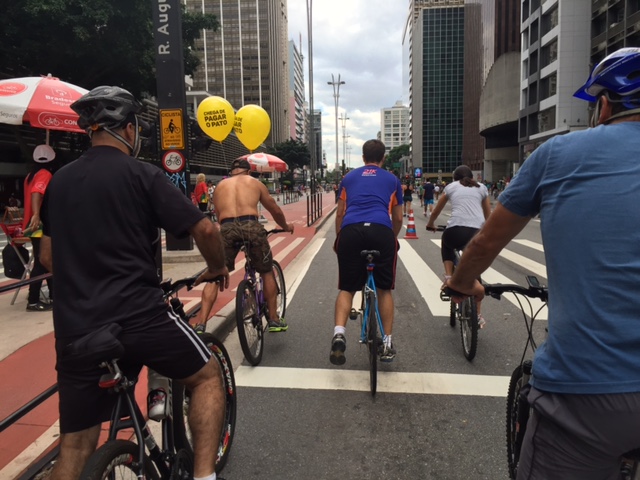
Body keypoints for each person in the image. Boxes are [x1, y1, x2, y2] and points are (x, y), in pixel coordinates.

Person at [446, 48, 640, 479]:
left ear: (604, 105)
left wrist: (461, 284)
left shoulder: (558, 154)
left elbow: (484, 244)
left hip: (587, 392)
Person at [40, 86, 230, 480]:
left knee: (74, 448)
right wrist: (216, 267)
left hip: (76, 329)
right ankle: (204, 476)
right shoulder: (143, 174)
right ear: (128, 130)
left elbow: (46, 258)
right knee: (208, 375)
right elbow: (206, 230)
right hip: (138, 316)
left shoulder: (59, 182)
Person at [196, 158, 294, 331]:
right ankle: (273, 319)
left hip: (226, 228)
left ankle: (201, 323)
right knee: (266, 271)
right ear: (248, 172)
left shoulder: (219, 187)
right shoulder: (254, 183)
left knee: (215, 275)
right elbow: (274, 209)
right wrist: (286, 226)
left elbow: (218, 215)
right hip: (251, 226)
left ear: (232, 172)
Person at [330, 139, 403, 364]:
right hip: (381, 230)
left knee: (347, 288)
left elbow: (340, 213)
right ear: (383, 158)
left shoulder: (348, 178)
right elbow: (398, 217)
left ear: (363, 158)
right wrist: (392, 236)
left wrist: (338, 238)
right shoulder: (393, 179)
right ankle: (387, 343)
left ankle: (339, 334)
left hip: (351, 231)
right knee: (384, 290)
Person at [426, 165, 491, 327]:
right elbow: (488, 215)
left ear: (454, 178)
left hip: (455, 232)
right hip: (476, 234)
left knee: (446, 243)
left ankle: (449, 277)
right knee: (476, 275)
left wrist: (431, 224)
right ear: (472, 177)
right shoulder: (481, 188)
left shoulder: (451, 187)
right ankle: (478, 315)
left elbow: (436, 211)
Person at [22, 144, 58, 312]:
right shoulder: (45, 174)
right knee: (42, 262)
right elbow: (37, 192)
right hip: (40, 225)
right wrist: (37, 214)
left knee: (45, 260)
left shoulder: (30, 175)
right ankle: (33, 300)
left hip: (32, 225)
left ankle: (53, 295)